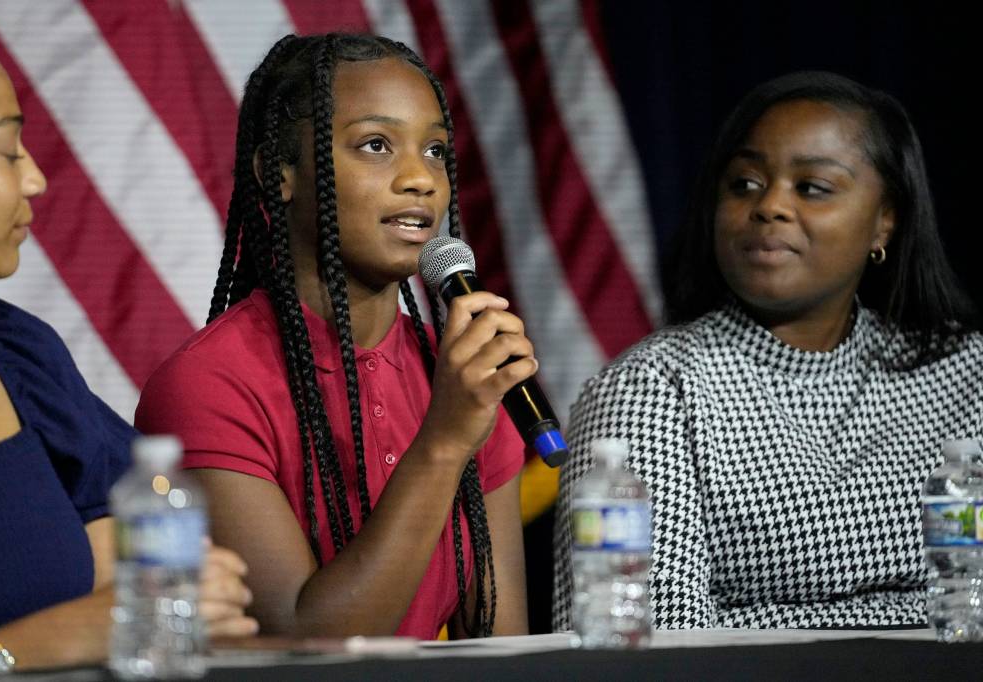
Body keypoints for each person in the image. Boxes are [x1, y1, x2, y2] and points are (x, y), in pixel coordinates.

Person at [552, 71, 983, 630]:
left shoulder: (965, 371)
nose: (769, 206)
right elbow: (654, 641)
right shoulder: (653, 387)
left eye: (811, 187)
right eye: (745, 184)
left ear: (885, 221)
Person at [135, 33, 530, 640]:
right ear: (280, 172)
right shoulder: (206, 385)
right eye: (377, 145)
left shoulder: (457, 376)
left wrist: (460, 417)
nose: (421, 179)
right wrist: (445, 441)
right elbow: (306, 639)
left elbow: (501, 644)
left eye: (434, 151)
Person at [0, 32, 256, 673]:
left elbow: (126, 594)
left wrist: (191, 600)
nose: (34, 178)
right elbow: (84, 623)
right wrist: (31, 646)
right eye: (7, 149)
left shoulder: (18, 357)